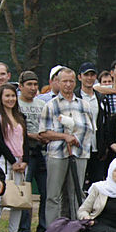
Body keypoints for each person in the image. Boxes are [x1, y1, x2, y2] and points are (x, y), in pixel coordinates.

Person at [39, 68, 95, 224]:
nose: (68, 85)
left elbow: (90, 129)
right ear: (57, 82)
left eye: (71, 81)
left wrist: (75, 136)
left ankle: (76, 226)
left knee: (76, 192)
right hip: (57, 154)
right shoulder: (50, 105)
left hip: (80, 153)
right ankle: (53, 228)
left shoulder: (84, 105)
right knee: (54, 194)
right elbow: (43, 133)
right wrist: (64, 136)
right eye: (64, 81)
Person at [0, 84, 29, 232]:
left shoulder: (20, 116)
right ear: (1, 98)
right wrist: (13, 161)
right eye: (7, 96)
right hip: (3, 162)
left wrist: (24, 160)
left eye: (13, 96)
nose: (10, 99)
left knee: (18, 197)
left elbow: (25, 140)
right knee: (0, 197)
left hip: (20, 162)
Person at [17, 71, 47, 232]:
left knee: (45, 190)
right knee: (26, 190)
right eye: (29, 84)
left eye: (35, 84)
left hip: (41, 150)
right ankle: (24, 228)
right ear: (21, 86)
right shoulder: (17, 104)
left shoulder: (42, 104)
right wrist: (31, 135)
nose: (33, 88)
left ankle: (43, 226)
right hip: (25, 151)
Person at [74, 62, 108, 185]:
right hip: (79, 146)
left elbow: (105, 123)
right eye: (86, 75)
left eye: (92, 75)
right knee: (78, 183)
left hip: (96, 147)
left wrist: (104, 146)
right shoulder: (74, 97)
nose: (89, 78)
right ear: (79, 77)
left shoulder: (101, 98)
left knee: (97, 183)